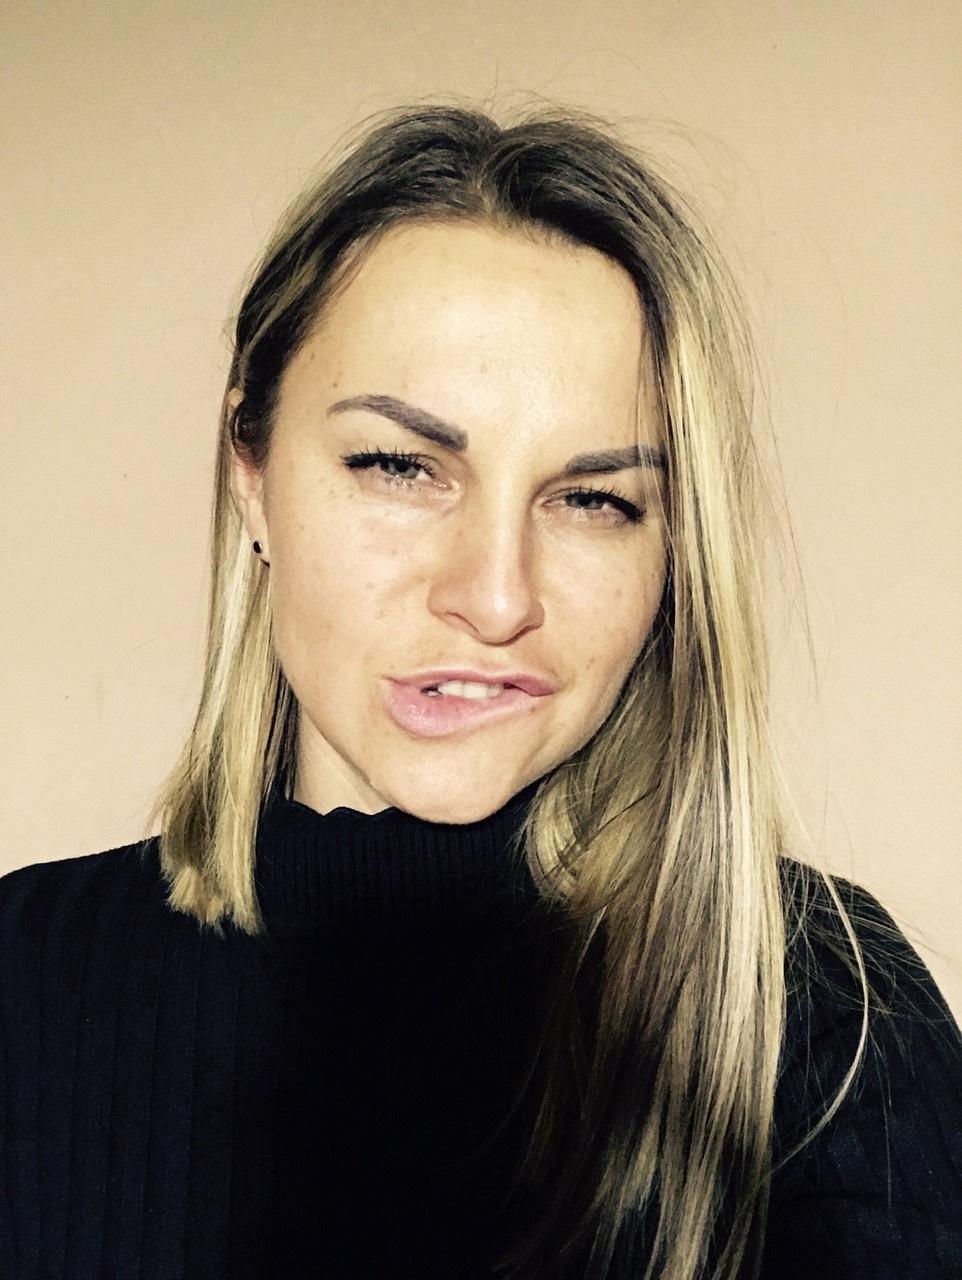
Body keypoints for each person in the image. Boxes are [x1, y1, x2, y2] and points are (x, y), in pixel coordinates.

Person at [1, 101, 960, 1280]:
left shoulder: (811, 1011)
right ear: (252, 474)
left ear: (672, 552)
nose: (496, 595)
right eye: (399, 465)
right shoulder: (23, 977)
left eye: (592, 499)